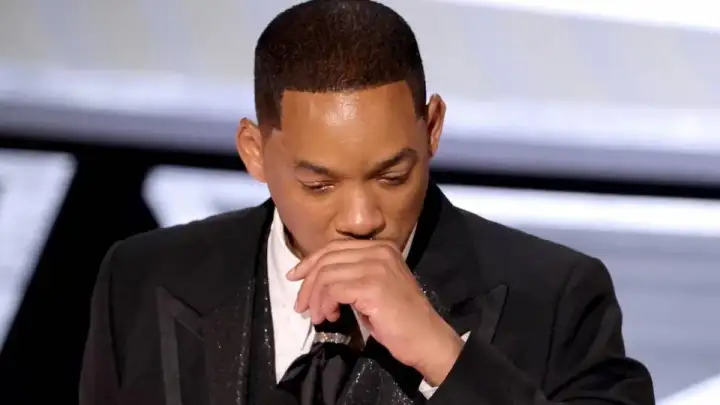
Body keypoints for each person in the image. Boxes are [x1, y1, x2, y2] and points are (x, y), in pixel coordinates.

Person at [79, 1, 655, 404]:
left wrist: (447, 358)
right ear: (254, 152)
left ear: (432, 128)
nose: (361, 219)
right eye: (319, 185)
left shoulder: (556, 298)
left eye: (392, 176)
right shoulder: (143, 279)